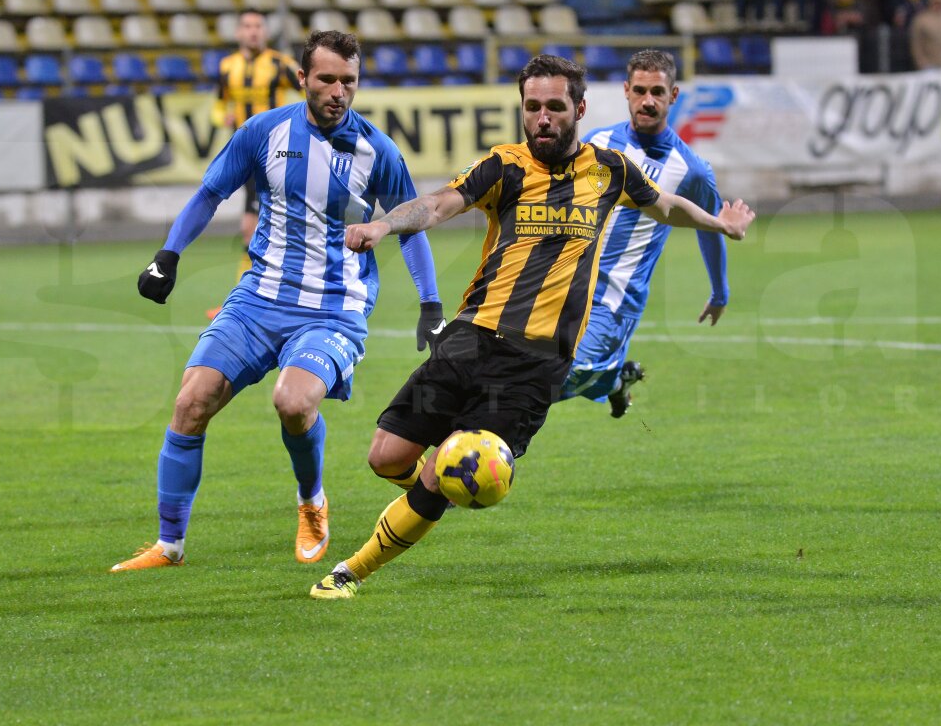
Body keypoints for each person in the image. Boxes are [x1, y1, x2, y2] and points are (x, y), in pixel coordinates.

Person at [308, 55, 755, 600]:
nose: (542, 117)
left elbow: (666, 207)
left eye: (555, 107)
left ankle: (350, 572)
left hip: (534, 363)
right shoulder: (504, 166)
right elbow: (435, 205)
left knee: (443, 471)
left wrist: (720, 222)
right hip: (470, 338)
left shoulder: (610, 169)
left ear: (581, 110)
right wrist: (383, 223)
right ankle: (444, 490)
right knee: (387, 458)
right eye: (533, 107)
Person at [112, 31, 446, 572]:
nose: (339, 91)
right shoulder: (264, 132)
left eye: (349, 81)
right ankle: (168, 546)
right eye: (327, 79)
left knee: (293, 403)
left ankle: (312, 501)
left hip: (335, 306)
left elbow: (412, 226)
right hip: (258, 299)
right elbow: (209, 193)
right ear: (302, 79)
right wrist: (167, 255)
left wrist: (431, 306)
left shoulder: (377, 151)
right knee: (190, 403)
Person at [559, 50, 730, 419]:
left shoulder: (692, 171)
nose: (647, 101)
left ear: (674, 95)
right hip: (567, 283)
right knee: (529, 367)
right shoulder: (598, 140)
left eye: (657, 92)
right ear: (626, 90)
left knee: (556, 379)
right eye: (639, 90)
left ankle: (610, 379)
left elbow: (709, 227)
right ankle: (616, 379)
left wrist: (720, 291)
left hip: (618, 295)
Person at [207, 10, 303, 320]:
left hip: (279, 155)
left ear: (265, 32)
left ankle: (260, 299)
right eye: (247, 26)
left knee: (265, 228)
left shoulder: (280, 64)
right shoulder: (227, 67)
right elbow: (219, 105)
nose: (253, 32)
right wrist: (223, 118)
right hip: (249, 157)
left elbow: (311, 92)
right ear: (238, 32)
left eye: (258, 26)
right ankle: (246, 300)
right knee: (252, 230)